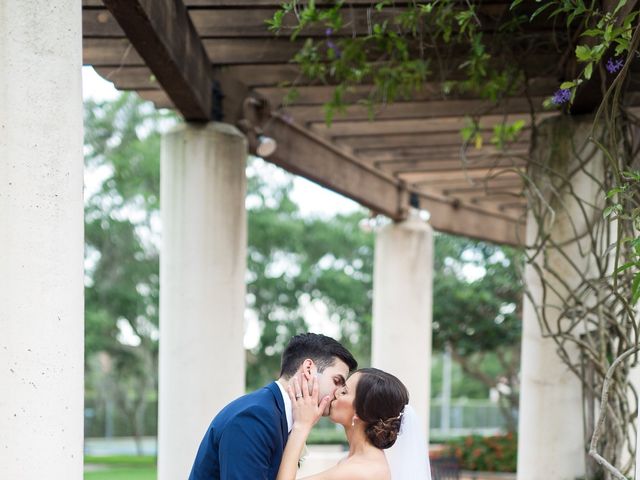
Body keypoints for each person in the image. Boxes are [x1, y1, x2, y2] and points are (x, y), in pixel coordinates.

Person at [189, 333, 358, 480]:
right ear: (308, 369)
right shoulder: (253, 417)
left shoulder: (278, 414)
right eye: (336, 381)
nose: (338, 393)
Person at [277, 368, 431, 480]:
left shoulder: (360, 471)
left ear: (360, 412)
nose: (335, 393)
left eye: (344, 392)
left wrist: (301, 426)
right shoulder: (361, 459)